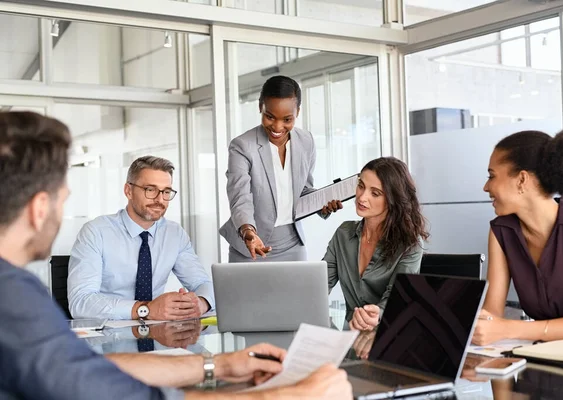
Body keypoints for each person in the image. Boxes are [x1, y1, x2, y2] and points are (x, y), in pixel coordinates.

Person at [0, 111, 353, 400]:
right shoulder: (17, 296)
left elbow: (84, 368)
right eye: (63, 198)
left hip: (153, 348)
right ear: (39, 207)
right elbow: (101, 384)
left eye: (167, 191)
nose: (160, 198)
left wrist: (219, 363)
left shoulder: (14, 290)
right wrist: (287, 397)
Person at [473, 129, 563, 345]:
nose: (486, 187)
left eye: (492, 176)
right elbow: (492, 315)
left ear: (522, 179)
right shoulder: (502, 231)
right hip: (542, 364)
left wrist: (508, 329)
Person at [68, 156, 215, 321]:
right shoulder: (96, 232)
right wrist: (145, 309)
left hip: (158, 335)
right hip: (108, 337)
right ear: (128, 191)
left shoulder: (174, 234)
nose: (159, 200)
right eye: (150, 190)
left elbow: (203, 284)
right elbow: (80, 302)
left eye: (166, 192)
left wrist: (199, 304)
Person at [220, 75, 341, 262]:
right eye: (269, 117)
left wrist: (322, 205)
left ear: (297, 112)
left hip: (293, 244)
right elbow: (240, 197)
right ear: (260, 107)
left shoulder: (306, 141)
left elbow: (304, 189)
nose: (277, 126)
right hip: (251, 245)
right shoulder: (242, 146)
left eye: (287, 119)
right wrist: (248, 231)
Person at [324, 157, 428, 331]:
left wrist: (376, 313)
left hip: (392, 334)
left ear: (393, 199)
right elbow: (320, 284)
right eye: (361, 186)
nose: (362, 197)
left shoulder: (410, 244)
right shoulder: (343, 233)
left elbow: (396, 299)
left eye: (375, 193)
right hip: (351, 335)